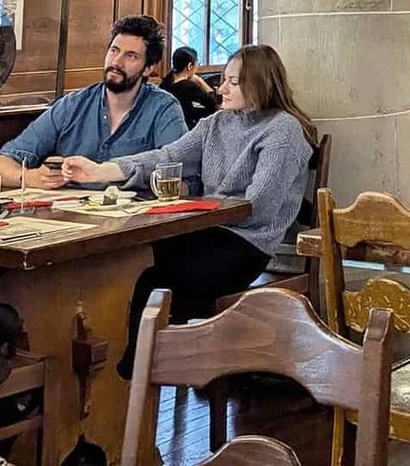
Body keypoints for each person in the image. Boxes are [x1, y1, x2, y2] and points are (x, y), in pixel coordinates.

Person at [63, 44, 316, 378]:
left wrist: (202, 208)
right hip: (206, 232)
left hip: (246, 245)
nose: (221, 88)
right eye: (224, 79)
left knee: (148, 276)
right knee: (129, 260)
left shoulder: (282, 130)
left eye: (233, 82)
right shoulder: (215, 124)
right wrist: (100, 170)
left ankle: (135, 374)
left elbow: (261, 208)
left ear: (261, 83)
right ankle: (129, 370)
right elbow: (166, 157)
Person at [0, 15, 186, 188]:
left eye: (131, 56)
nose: (116, 62)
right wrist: (30, 177)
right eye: (114, 51)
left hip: (134, 222)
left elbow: (182, 175)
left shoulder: (163, 109)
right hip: (69, 220)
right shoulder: (73, 105)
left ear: (148, 68)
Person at [161, 45, 219, 128]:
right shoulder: (189, 87)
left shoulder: (165, 83)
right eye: (197, 63)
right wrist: (199, 81)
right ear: (189, 66)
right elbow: (213, 105)